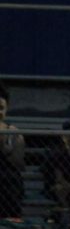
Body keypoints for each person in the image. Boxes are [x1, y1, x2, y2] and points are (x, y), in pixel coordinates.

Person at [0, 84, 25, 219]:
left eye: (1, 108)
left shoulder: (13, 132)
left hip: (7, 182)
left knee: (11, 179)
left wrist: (6, 149)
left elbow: (19, 164)